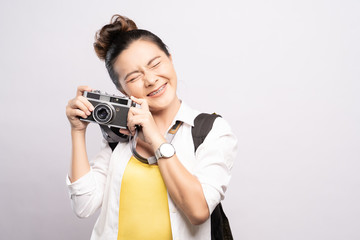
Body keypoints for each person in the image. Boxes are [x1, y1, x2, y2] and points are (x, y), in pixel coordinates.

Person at [65, 14, 238, 240]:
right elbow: (83, 206)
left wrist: (155, 137)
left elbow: (198, 212)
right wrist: (78, 131)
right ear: (123, 92)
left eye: (155, 64)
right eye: (134, 77)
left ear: (170, 59)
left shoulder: (208, 130)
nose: (151, 79)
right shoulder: (120, 139)